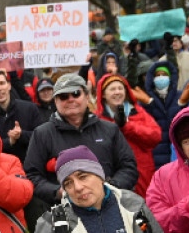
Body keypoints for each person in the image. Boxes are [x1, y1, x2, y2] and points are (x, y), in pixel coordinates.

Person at [18, 146, 178, 233]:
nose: (78, 188)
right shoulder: (52, 224)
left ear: (99, 175)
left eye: (83, 176)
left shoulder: (132, 205)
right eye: (68, 183)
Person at [23, 73, 138, 205]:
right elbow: (32, 175)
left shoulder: (109, 129)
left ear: (87, 96)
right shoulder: (42, 134)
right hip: (65, 212)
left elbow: (129, 167)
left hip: (110, 205)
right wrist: (57, 192)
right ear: (55, 101)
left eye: (76, 93)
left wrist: (110, 187)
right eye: (63, 96)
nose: (70, 99)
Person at [94, 73, 160, 197]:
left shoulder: (138, 112)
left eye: (120, 88)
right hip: (112, 176)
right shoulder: (97, 119)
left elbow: (155, 136)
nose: (117, 92)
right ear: (103, 94)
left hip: (143, 173)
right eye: (112, 89)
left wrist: (127, 126)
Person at [0, 71, 44, 164]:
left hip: (30, 166)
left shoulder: (29, 108)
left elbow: (42, 137)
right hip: (0, 168)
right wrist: (9, 142)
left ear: (9, 85)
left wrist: (21, 135)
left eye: (2, 83)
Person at [145, 63, 182, 168]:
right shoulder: (145, 99)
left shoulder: (179, 96)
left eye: (164, 74)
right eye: (158, 75)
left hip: (177, 151)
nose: (161, 78)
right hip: (156, 153)